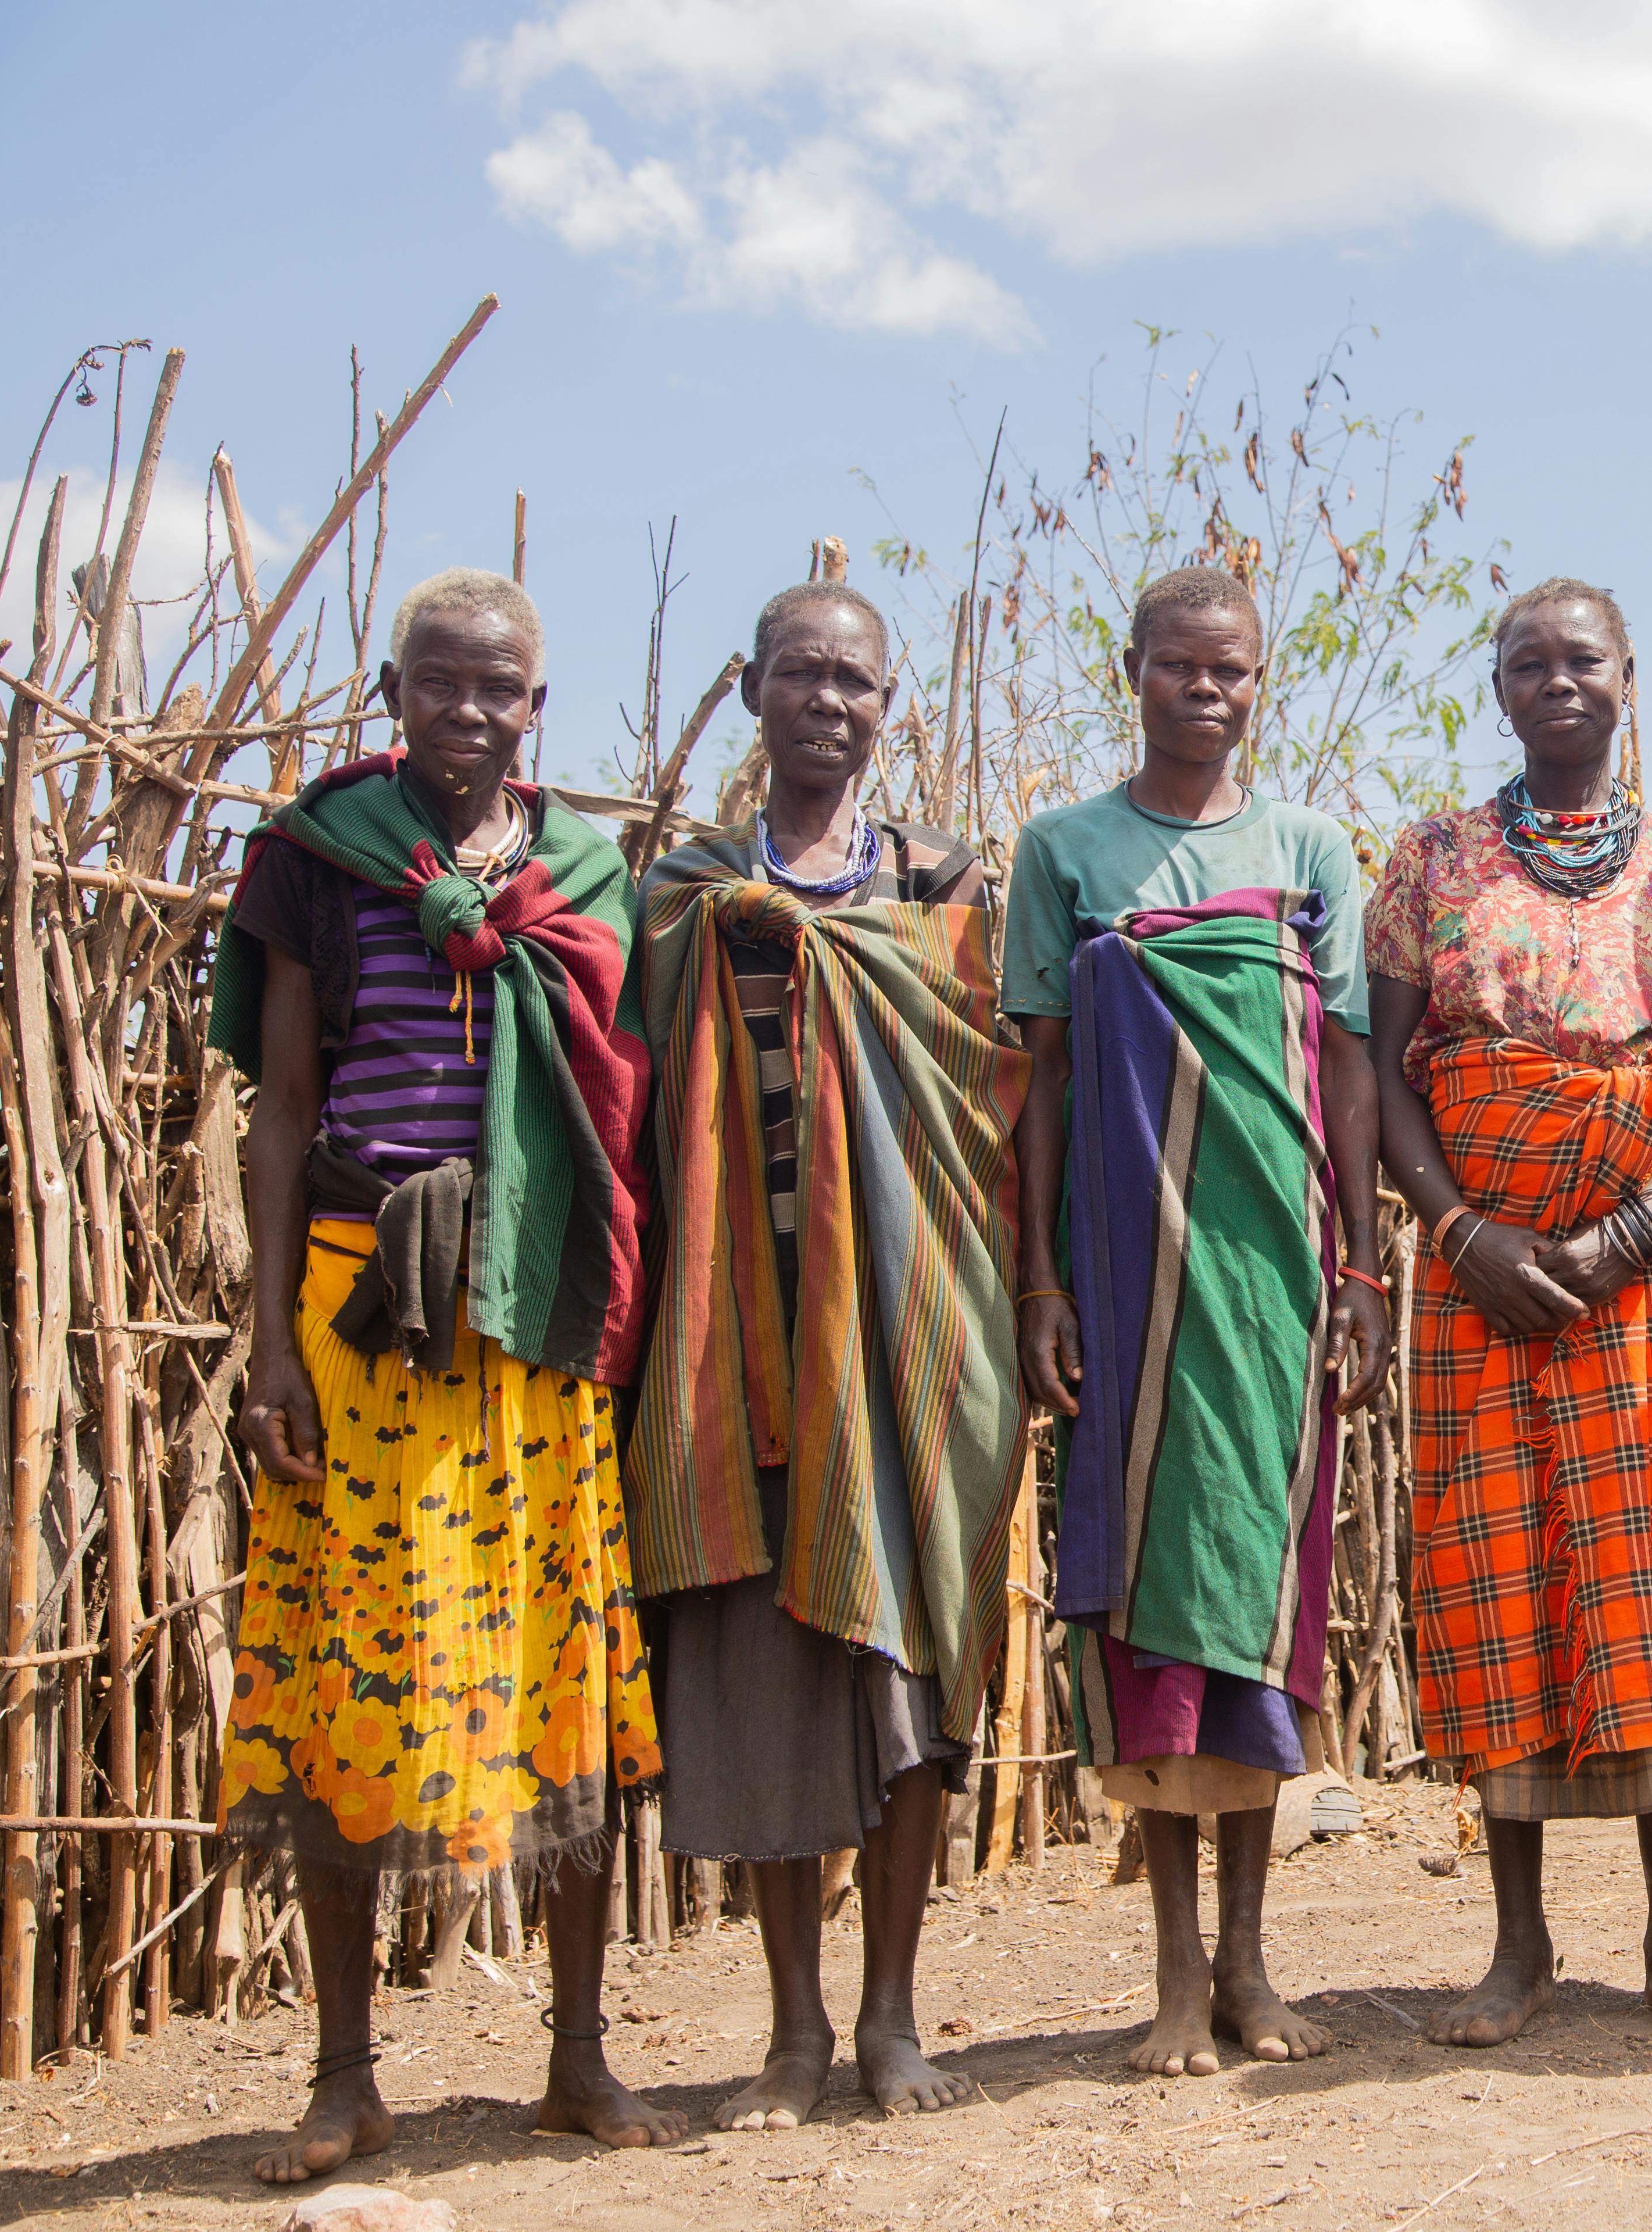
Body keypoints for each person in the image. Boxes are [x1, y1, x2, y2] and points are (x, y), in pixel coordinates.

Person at [214, 568, 680, 2181]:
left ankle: (578, 2058)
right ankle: (346, 2077)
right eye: (439, 680)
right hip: (358, 1309)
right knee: (341, 1676)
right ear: (391, 689)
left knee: (565, 1673)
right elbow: (283, 1109)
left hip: (534, 1310)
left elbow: (619, 1112)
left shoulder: (585, 874)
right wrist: (269, 1339)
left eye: (499, 688)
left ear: (538, 706)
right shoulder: (319, 855)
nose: (468, 711)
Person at [630, 581, 1028, 2127]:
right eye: (802, 672)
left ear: (886, 706)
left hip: (912, 1325)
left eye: (856, 680)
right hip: (738, 1334)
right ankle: (794, 2032)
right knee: (766, 1678)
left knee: (908, 1665)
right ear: (751, 688)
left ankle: (892, 2017)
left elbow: (1000, 1098)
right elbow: (636, 1105)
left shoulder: (942, 885)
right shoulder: (684, 895)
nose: (830, 701)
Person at [1368, 577, 1652, 2047]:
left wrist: (1642, 1224)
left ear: (1627, 677)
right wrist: (1458, 1229)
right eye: (1527, 662)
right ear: (1499, 689)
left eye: (1581, 659)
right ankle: (1518, 1947)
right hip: (1480, 1267)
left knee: (1650, 1576)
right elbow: (1386, 1073)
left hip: (1641, 1266)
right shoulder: (1430, 862)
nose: (1557, 681)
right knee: (1496, 1572)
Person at [1007, 567, 1391, 2077]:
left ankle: (1249, 1965)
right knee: (1150, 1620)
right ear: (1135, 671)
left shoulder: (1309, 850)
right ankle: (1173, 1974)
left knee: (1262, 1603)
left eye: (1231, 670)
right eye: (1180, 666)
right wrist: (1041, 1279)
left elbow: (1345, 1067)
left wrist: (1363, 1270)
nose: (1206, 691)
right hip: (1127, 1280)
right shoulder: (1065, 850)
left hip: (1275, 1268)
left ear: (1258, 681)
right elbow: (1040, 1077)